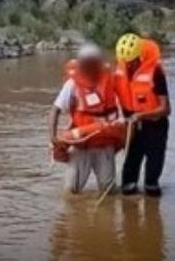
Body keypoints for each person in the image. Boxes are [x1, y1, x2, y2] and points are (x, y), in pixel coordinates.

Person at [49, 44, 122, 194]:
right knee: (71, 191)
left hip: (105, 142)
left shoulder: (110, 80)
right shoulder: (72, 84)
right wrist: (53, 136)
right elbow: (55, 110)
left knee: (109, 192)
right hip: (82, 144)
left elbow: (128, 93)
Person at [114, 34, 171, 197]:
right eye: (125, 62)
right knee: (128, 186)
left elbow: (166, 109)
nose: (128, 66)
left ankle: (153, 214)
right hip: (133, 127)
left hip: (155, 126)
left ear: (139, 57)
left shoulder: (156, 73)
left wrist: (141, 116)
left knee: (152, 187)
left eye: (131, 62)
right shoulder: (119, 72)